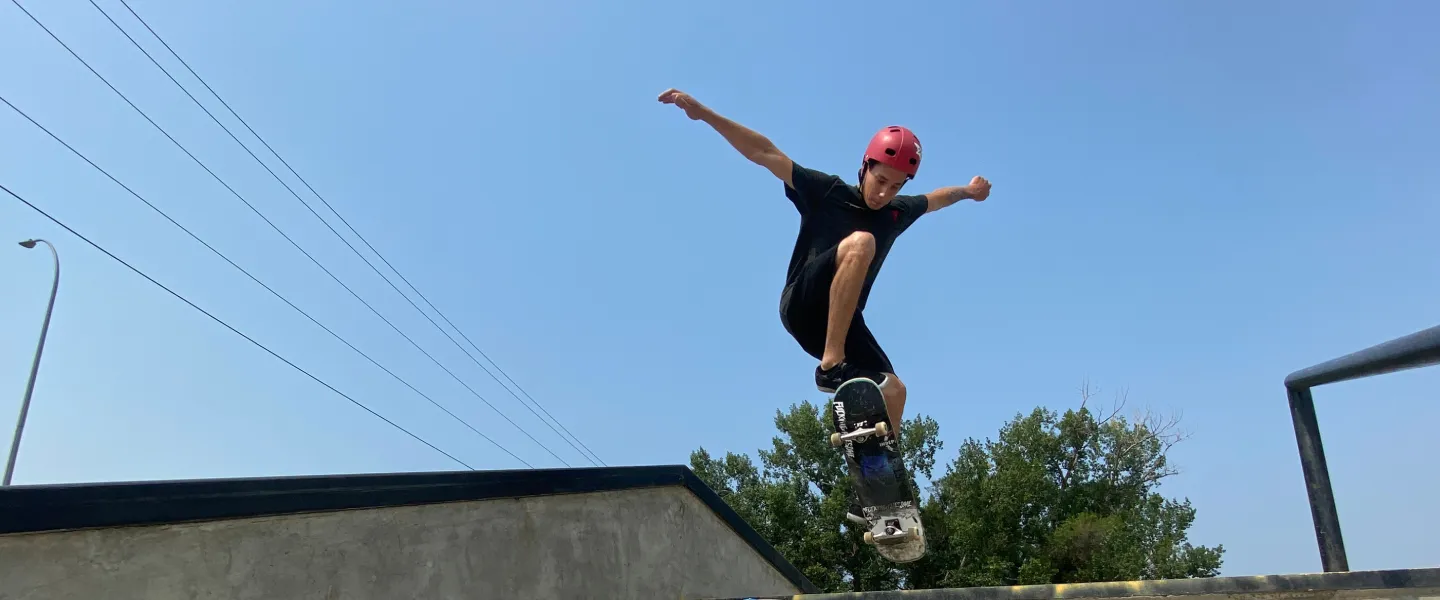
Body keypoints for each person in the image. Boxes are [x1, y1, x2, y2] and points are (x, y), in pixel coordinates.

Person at [659, 88, 992, 521]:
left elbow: (937, 198)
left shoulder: (898, 211)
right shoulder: (827, 192)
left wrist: (969, 191)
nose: (884, 193)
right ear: (865, 167)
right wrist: (703, 114)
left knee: (894, 390)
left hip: (842, 319)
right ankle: (830, 366)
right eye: (879, 180)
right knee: (860, 243)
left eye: (895, 186)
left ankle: (873, 489)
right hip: (803, 303)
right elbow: (763, 152)